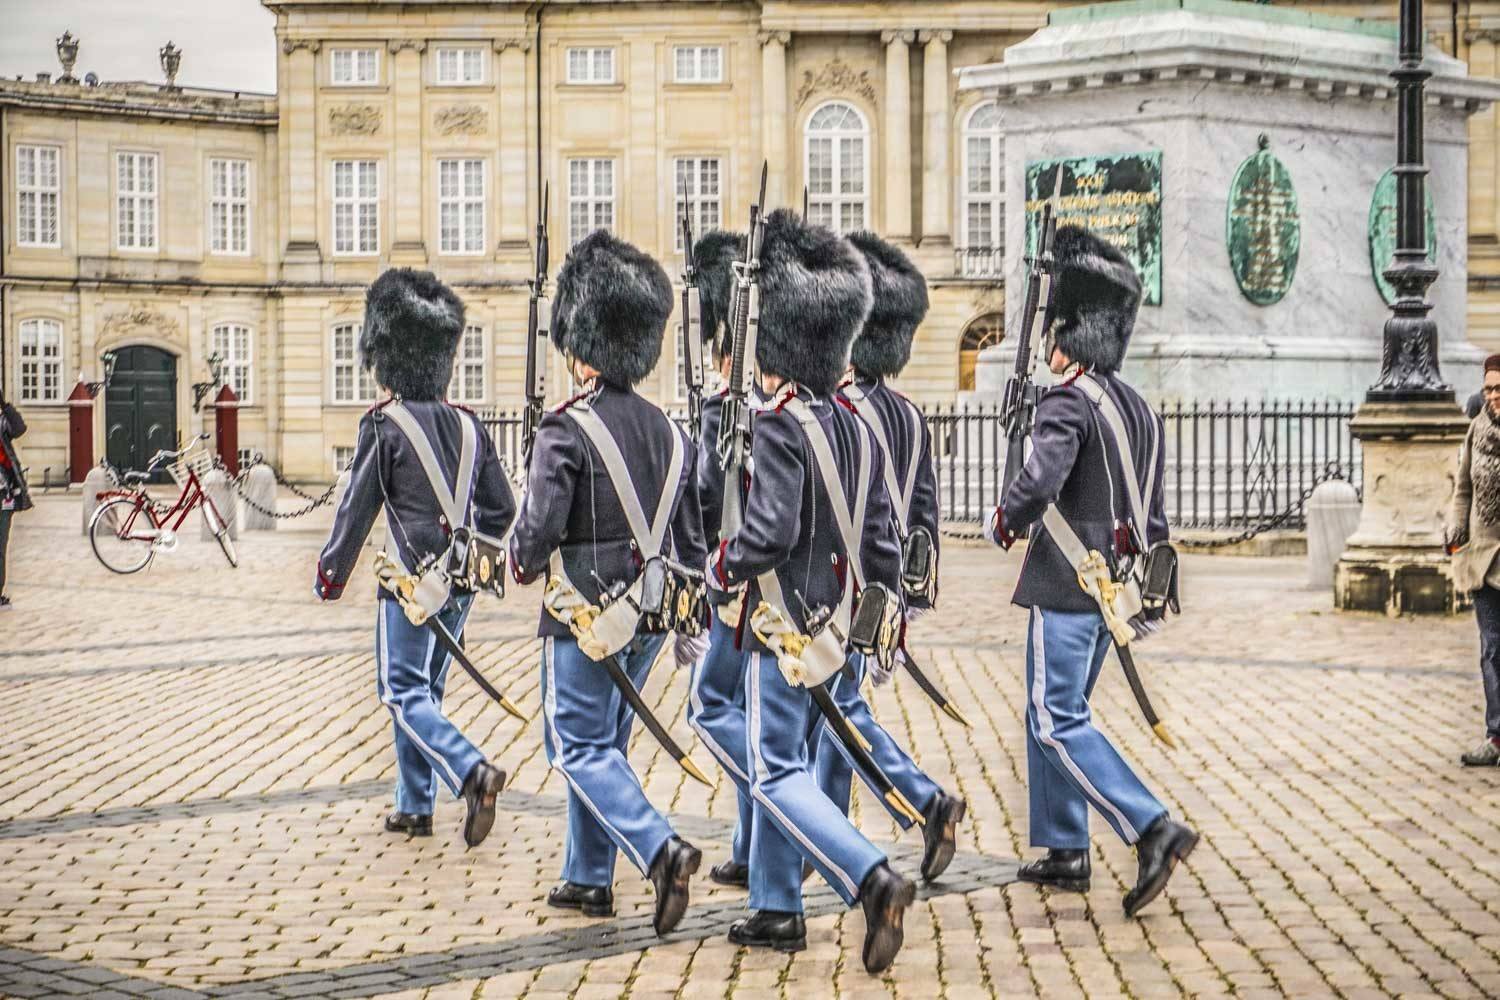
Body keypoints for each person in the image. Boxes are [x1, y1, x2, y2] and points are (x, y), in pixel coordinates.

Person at [709, 209, 917, 971]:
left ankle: (870, 876)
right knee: (788, 759)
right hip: (840, 623)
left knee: (773, 769)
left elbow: (766, 533)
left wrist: (721, 568)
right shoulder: (854, 422)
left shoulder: (779, 425)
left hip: (786, 627)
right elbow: (884, 533)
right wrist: (886, 608)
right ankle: (776, 906)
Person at [983, 225, 1198, 918]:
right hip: (1118, 587)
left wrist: (1005, 520)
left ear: (1065, 337)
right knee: (1047, 707)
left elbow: (1040, 479)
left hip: (1071, 582)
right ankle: (1063, 846)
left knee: (1055, 717)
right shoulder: (1134, 404)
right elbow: (1152, 503)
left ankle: (1148, 824)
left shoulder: (1069, 400)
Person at [509, 230, 706, 936]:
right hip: (650, 616)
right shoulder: (673, 432)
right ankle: (587, 878)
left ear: (580, 345)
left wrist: (519, 560)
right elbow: (691, 533)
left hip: (585, 615)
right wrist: (691, 618)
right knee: (606, 746)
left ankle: (659, 849)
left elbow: (537, 529)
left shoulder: (566, 429)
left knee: (575, 745)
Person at [315, 268, 515, 845]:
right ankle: (414, 804)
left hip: (406, 581)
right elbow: (502, 512)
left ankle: (471, 770)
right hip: (460, 584)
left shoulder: (384, 424)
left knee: (401, 692)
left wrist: (330, 575)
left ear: (391, 360)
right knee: (425, 694)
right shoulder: (472, 428)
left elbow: (355, 511)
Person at [821, 230, 966, 879]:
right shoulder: (907, 413)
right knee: (830, 713)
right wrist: (912, 598)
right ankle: (824, 829)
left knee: (836, 709)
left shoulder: (839, 411)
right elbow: (923, 512)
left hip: (841, 588)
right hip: (884, 589)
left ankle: (927, 800)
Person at [683, 227, 759, 889]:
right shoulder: (784, 408)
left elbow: (708, 494)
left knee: (710, 705)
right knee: (747, 707)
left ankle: (771, 798)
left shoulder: (723, 410)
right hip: (775, 589)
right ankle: (749, 844)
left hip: (731, 580)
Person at [1447, 353, 1500, 766]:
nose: (1494, 396)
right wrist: (1455, 531)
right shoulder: (1476, 431)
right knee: (1492, 649)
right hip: (1485, 558)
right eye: (1489, 389)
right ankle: (1496, 736)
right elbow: (1462, 487)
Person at [0, 388, 32, 610]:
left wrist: (5, 406)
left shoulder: (2, 422)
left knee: (0, 547)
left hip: (4, 496)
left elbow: (19, 428)